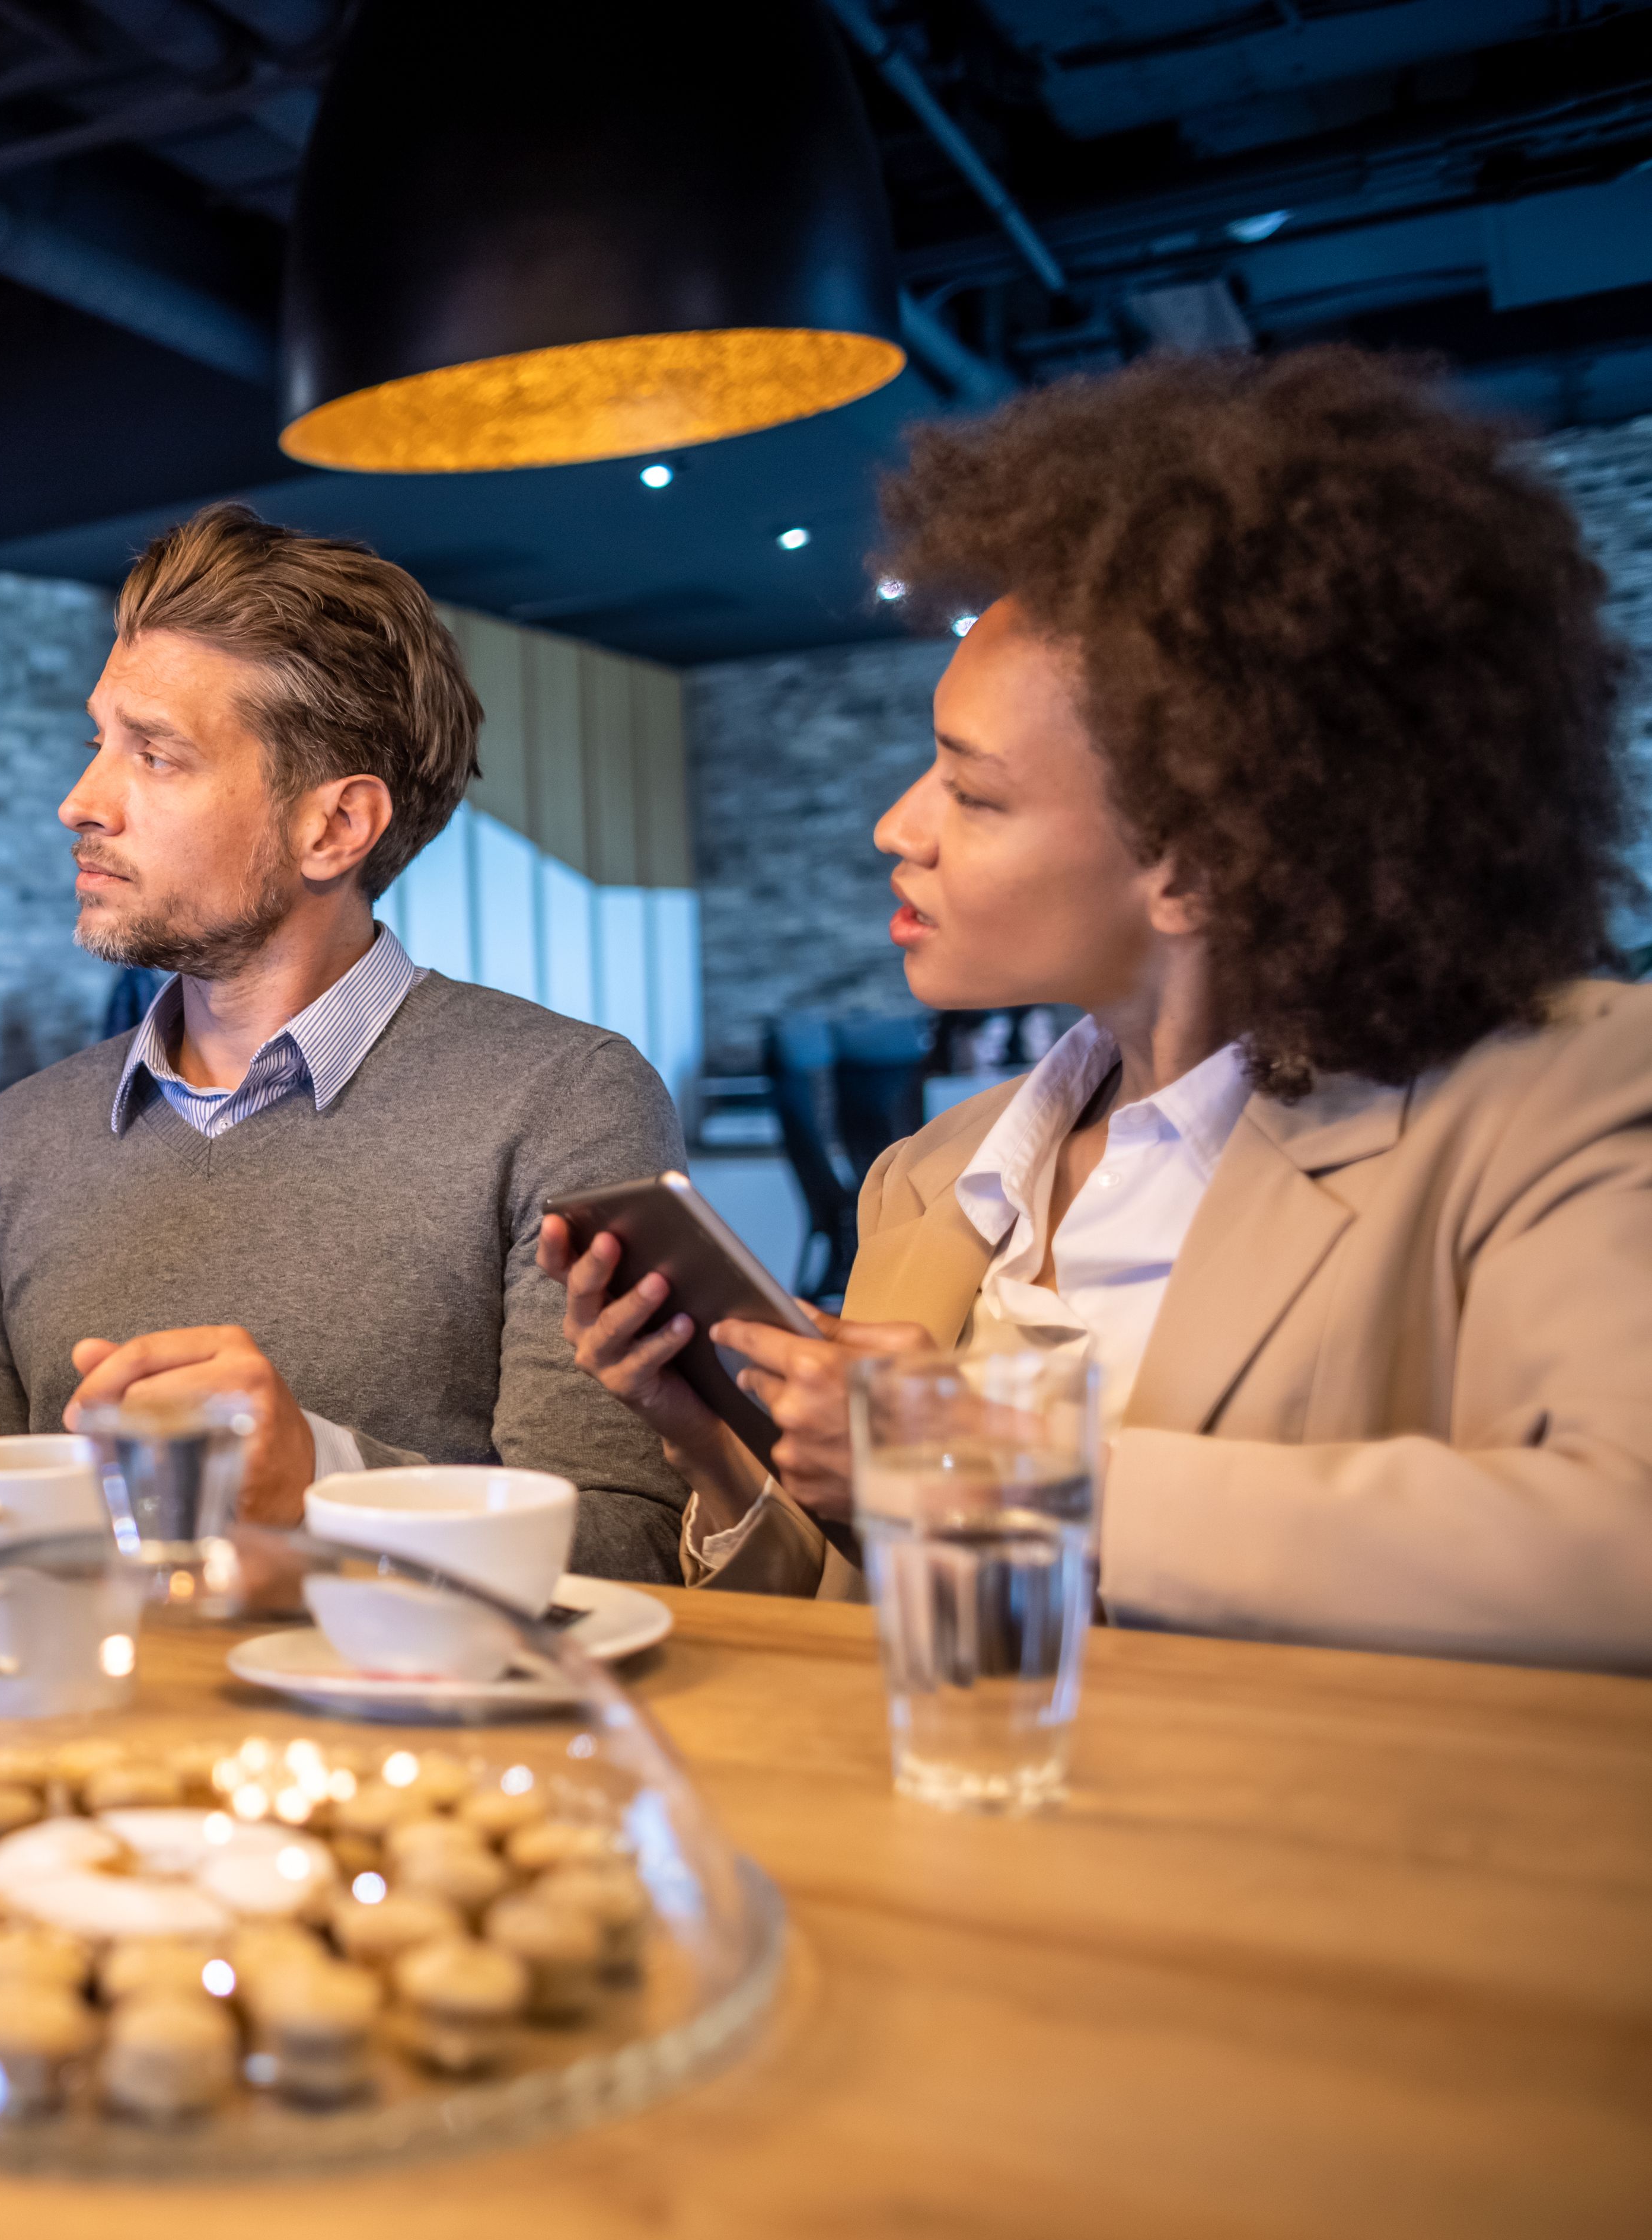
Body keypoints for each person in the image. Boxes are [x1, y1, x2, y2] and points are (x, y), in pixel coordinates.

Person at [546, 349, 1652, 1671]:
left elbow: (1613, 1550)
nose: (896, 827)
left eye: (974, 791)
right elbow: (860, 1630)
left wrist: (993, 1460)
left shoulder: (1560, 1097)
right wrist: (715, 1446)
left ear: (1197, 858)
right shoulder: (929, 1180)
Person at [0, 504, 690, 1579]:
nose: (78, 803)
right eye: (98, 743)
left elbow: (633, 1546)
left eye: (156, 755)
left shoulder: (564, 1100)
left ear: (334, 827)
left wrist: (318, 1484)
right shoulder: (23, 1135)